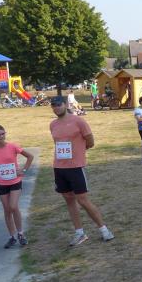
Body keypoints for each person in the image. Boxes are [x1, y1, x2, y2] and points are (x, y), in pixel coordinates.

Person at [49, 96, 114, 245]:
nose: (56, 107)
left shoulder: (78, 121)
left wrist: (79, 151)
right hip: (59, 167)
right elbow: (57, 143)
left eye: (58, 104)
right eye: (53, 105)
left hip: (75, 167)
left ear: (65, 104)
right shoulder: (53, 124)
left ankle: (104, 230)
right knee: (69, 200)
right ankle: (79, 233)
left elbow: (90, 141)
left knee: (83, 200)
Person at [0, 124, 34, 248]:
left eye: (3, 133)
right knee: (7, 210)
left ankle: (21, 234)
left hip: (15, 181)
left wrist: (23, 170)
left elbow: (30, 156)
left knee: (13, 206)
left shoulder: (12, 146)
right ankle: (12, 237)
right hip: (1, 183)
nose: (1, 136)